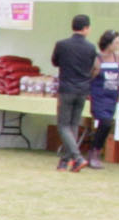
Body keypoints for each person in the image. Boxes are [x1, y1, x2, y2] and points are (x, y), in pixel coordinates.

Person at [51, 11, 97, 171]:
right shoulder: (91, 48)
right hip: (83, 89)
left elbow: (55, 62)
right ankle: (65, 161)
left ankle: (77, 158)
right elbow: (93, 66)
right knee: (74, 125)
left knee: (63, 125)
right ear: (86, 28)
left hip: (66, 88)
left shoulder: (62, 45)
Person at [87, 29, 119, 164]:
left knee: (107, 124)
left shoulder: (117, 58)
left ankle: (96, 150)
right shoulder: (97, 59)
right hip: (99, 96)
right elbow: (89, 77)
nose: (118, 45)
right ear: (108, 44)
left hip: (112, 97)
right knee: (105, 122)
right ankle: (94, 152)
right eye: (116, 42)